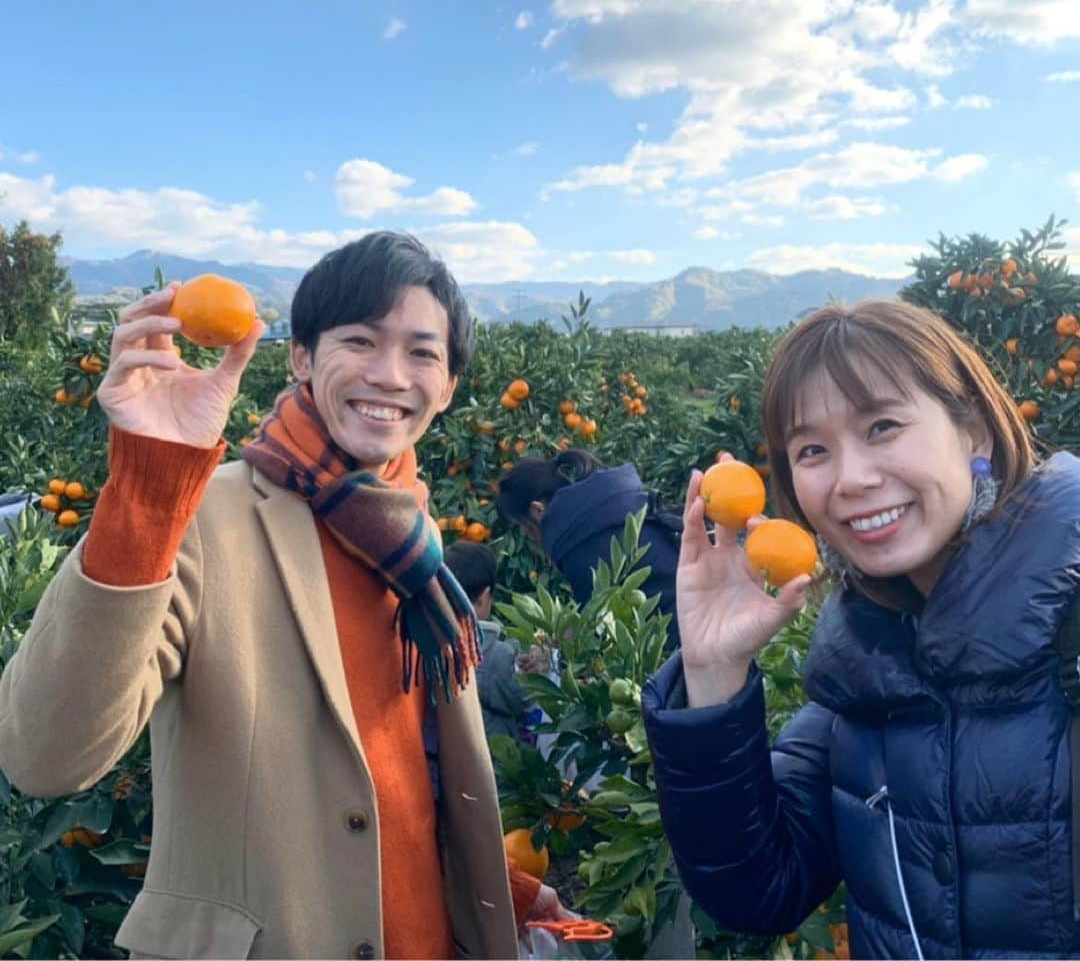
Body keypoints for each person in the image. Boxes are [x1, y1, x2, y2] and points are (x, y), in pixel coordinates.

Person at [0, 231, 569, 959]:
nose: (391, 374)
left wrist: (493, 891)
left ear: (449, 384)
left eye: (422, 352)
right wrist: (148, 480)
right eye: (360, 341)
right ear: (302, 356)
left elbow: (400, 778)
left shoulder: (415, 538)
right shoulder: (204, 516)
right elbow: (44, 755)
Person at [642, 298, 1080, 959]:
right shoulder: (865, 667)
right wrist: (712, 669)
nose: (851, 479)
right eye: (812, 449)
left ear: (975, 434)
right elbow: (758, 893)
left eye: (881, 426)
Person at [497, 450, 681, 646]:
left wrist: (553, 653)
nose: (528, 535)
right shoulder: (603, 512)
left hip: (678, 640)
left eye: (524, 526)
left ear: (537, 510)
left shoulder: (580, 547)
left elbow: (596, 629)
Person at [443, 539, 531, 743]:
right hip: (493, 762)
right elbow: (523, 697)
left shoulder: (434, 646)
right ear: (485, 596)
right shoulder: (495, 655)